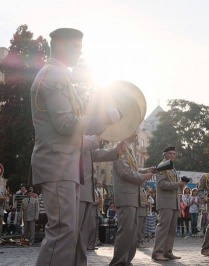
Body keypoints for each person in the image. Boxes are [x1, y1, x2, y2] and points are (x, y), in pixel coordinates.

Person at [30, 28, 121, 266]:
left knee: (67, 233)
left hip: (64, 163)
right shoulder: (54, 76)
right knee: (62, 232)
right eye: (76, 47)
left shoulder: (59, 76)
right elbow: (65, 124)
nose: (80, 52)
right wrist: (103, 118)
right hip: (57, 163)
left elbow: (68, 130)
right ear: (61, 46)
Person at [75, 135, 122, 266]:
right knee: (72, 234)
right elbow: (79, 143)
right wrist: (98, 137)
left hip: (85, 193)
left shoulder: (86, 140)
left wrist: (115, 151)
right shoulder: (79, 134)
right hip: (75, 189)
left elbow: (95, 154)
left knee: (82, 236)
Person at [109, 133, 153, 266]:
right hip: (126, 196)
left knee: (132, 231)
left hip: (133, 196)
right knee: (126, 231)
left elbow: (134, 169)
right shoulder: (121, 148)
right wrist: (143, 177)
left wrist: (147, 170)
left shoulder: (129, 149)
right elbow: (125, 172)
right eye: (134, 130)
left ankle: (126, 260)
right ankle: (119, 262)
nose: (136, 134)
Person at [151, 146, 185, 261]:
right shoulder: (162, 166)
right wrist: (177, 184)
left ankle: (167, 251)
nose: (172, 155)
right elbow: (161, 184)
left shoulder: (172, 168)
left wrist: (179, 185)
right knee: (163, 228)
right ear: (164, 154)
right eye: (170, 153)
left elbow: (173, 185)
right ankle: (157, 252)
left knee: (171, 229)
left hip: (173, 202)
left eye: (174, 154)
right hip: (165, 202)